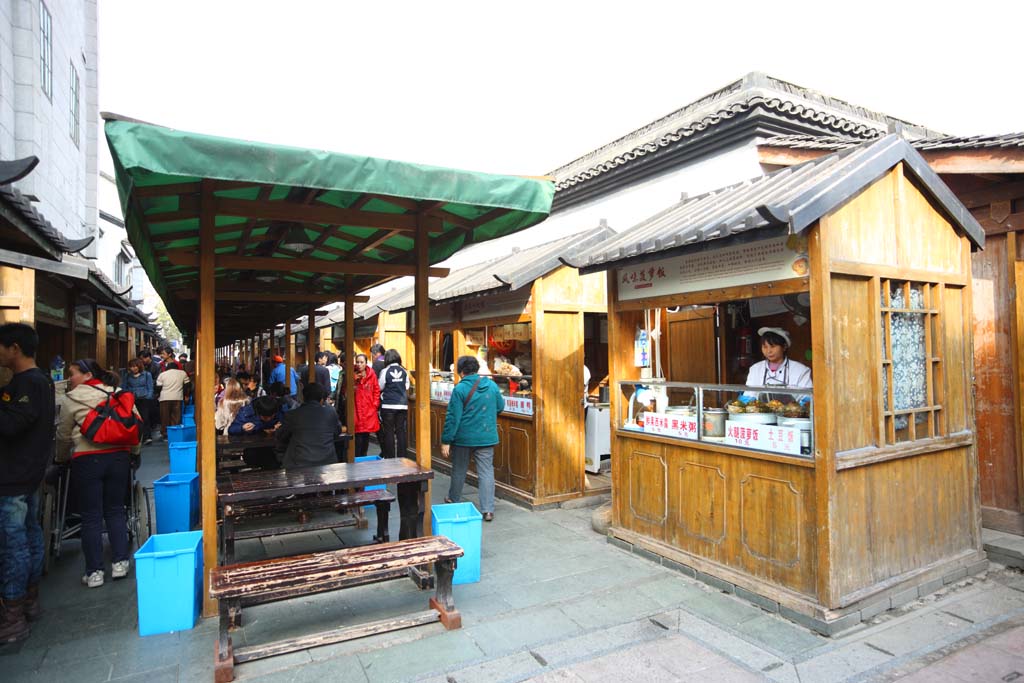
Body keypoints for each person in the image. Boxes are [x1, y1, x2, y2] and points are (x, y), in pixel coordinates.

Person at [56, 359, 141, 589]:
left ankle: (94, 571)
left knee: (91, 515)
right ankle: (120, 562)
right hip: (119, 458)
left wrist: (61, 458)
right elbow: (134, 425)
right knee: (115, 509)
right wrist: (134, 454)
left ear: (86, 375)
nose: (69, 378)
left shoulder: (71, 399)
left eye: (72, 374)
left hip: (87, 459)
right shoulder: (118, 393)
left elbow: (63, 436)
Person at [0, 324, 55, 641]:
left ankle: (13, 613)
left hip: (16, 476)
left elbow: (12, 426)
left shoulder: (29, 384)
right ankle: (28, 601)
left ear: (15, 348)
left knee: (13, 546)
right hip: (29, 473)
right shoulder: (43, 381)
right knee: (28, 537)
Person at [441, 356, 505, 522]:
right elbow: (500, 407)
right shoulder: (491, 385)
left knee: (459, 469)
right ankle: (488, 510)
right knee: (486, 472)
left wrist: (446, 440)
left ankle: (453, 499)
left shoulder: (460, 389)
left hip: (464, 438)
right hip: (487, 436)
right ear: (476, 369)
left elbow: (453, 417)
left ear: (461, 371)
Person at [275, 383, 343, 469]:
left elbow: (281, 436)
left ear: (303, 397)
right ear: (322, 399)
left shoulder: (292, 415)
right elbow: (337, 431)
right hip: (327, 460)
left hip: (298, 463)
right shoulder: (331, 412)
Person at [741, 327, 813, 402]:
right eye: (765, 347)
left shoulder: (801, 370)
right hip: (761, 413)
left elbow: (807, 398)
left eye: (773, 346)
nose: (769, 351)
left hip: (791, 413)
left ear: (784, 347)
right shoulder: (755, 369)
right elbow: (748, 395)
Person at [377, 349, 409, 460]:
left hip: (388, 405)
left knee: (389, 431)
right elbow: (407, 386)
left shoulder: (385, 371)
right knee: (401, 431)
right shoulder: (404, 371)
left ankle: (390, 457)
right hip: (402, 405)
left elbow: (380, 386)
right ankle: (402, 457)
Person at [352, 353, 380, 459]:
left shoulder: (371, 374)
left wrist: (374, 404)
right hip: (356, 410)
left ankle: (363, 458)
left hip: (369, 410)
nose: (359, 364)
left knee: (366, 436)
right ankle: (357, 459)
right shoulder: (352, 374)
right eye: (357, 362)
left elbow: (376, 390)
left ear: (366, 363)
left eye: (361, 362)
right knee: (357, 437)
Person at [123, 358, 156, 445]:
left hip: (144, 398)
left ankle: (147, 437)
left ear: (139, 366)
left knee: (145, 418)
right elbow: (124, 387)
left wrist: (148, 396)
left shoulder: (146, 375)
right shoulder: (127, 376)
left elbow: (150, 387)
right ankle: (136, 437)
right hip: (131, 399)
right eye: (131, 367)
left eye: (135, 366)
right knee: (133, 419)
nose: (133, 369)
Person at [156, 359, 189, 438]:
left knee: (165, 417)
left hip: (164, 398)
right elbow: (187, 385)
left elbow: (158, 387)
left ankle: (165, 433)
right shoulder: (182, 373)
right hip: (177, 398)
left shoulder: (162, 374)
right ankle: (175, 433)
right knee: (176, 417)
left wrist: (158, 395)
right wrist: (186, 395)